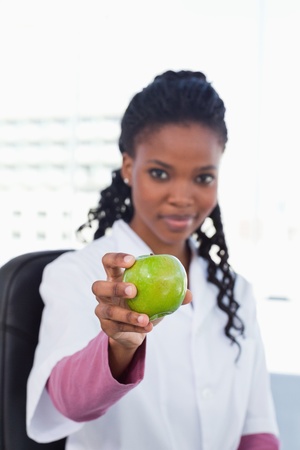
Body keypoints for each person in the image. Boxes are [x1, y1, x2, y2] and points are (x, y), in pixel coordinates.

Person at [26, 70, 280, 450]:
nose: (182, 197)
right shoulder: (77, 273)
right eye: (160, 173)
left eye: (203, 178)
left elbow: (257, 429)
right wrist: (119, 347)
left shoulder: (237, 291)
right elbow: (65, 401)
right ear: (129, 167)